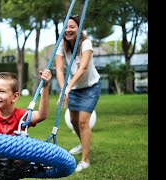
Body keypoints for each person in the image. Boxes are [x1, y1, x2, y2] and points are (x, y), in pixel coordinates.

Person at [55, 14, 101, 172]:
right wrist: (63, 90)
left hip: (90, 87)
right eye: (66, 27)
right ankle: (83, 144)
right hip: (73, 88)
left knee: (83, 122)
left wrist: (68, 87)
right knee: (74, 121)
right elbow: (59, 69)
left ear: (79, 28)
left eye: (72, 27)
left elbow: (82, 68)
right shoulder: (62, 44)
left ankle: (85, 160)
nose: (68, 30)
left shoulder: (86, 43)